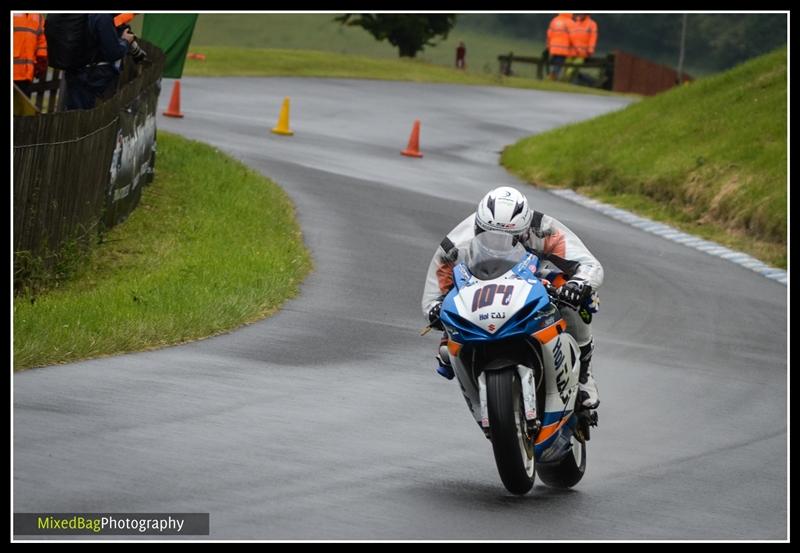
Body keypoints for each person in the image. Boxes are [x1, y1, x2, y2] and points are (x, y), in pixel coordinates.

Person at [420, 186, 603, 410]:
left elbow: (589, 264)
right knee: (446, 351)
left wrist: (578, 285)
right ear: (478, 227)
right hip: (476, 289)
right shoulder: (455, 246)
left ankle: (584, 373)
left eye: (510, 238)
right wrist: (436, 310)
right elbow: (433, 296)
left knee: (580, 297)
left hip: (530, 281)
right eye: (489, 236)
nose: (498, 245)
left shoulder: (543, 229)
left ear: (525, 231)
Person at [60, 14, 135, 110]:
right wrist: (125, 41)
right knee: (85, 115)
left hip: (74, 70)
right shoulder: (102, 17)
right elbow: (113, 52)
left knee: (73, 112)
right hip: (91, 75)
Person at [13, 12, 48, 98]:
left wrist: (41, 59)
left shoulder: (38, 16)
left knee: (22, 108)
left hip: (26, 75)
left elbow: (41, 41)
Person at [564, 13, 598, 84]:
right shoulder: (575, 22)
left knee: (573, 68)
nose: (580, 14)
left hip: (582, 53)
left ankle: (565, 81)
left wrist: (590, 51)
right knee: (566, 66)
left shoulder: (592, 24)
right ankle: (566, 81)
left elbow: (593, 39)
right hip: (571, 51)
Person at [545, 13, 576, 81]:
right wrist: (574, 48)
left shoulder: (554, 20)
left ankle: (551, 77)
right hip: (563, 48)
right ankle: (553, 78)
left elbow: (549, 34)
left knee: (553, 63)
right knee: (558, 64)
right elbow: (573, 37)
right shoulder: (571, 22)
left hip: (553, 47)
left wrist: (548, 45)